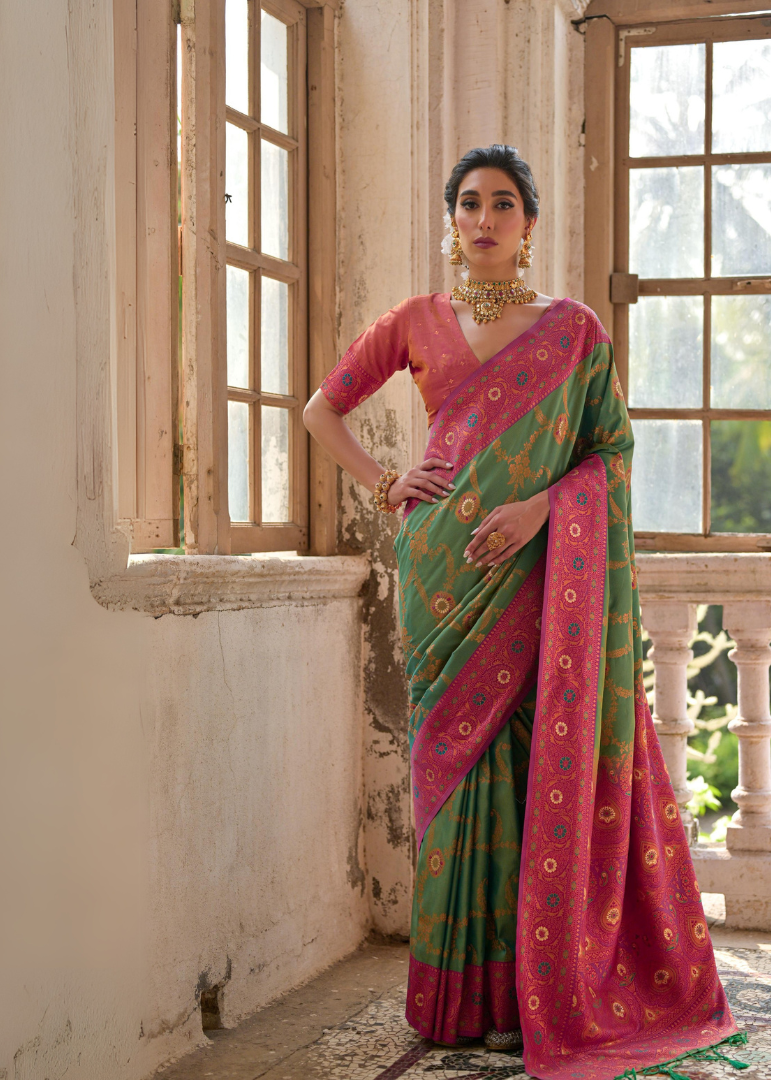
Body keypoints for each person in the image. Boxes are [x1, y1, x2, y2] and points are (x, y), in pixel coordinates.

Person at [304, 144, 742, 1080]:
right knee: (455, 776)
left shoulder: (574, 331)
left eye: (504, 204)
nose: (485, 219)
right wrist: (388, 484)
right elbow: (319, 410)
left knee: (529, 759)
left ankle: (523, 995)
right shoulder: (415, 321)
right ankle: (455, 1001)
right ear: (451, 220)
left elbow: (611, 455)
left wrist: (545, 506)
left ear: (530, 225)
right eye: (469, 204)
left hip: (540, 569)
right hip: (440, 574)